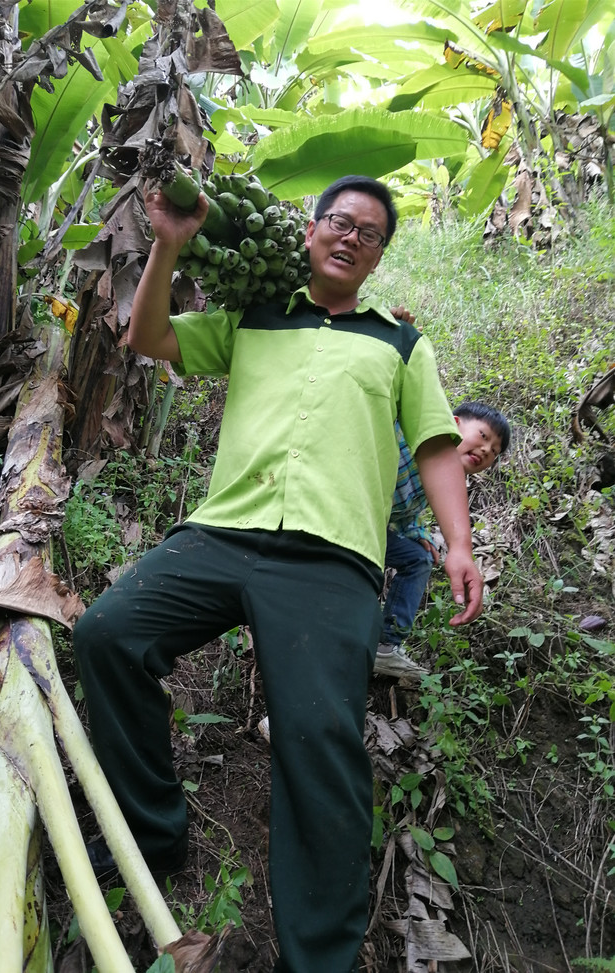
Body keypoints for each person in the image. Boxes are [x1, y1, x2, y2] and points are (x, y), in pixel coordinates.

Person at [72, 174, 484, 973]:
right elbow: (150, 339)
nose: (349, 236)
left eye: (368, 232)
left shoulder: (400, 342)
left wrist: (458, 543)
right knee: (107, 632)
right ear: (308, 230)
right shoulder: (252, 315)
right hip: (224, 532)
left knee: (320, 736)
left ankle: (318, 957)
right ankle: (154, 834)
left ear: (378, 256)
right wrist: (168, 243)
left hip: (332, 560)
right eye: (338, 221)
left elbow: (436, 444)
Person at [375, 401, 511, 679]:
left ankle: (386, 646)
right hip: (341, 518)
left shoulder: (445, 484)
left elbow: (404, 511)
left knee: (419, 558)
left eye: (494, 451)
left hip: (372, 529)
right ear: (454, 422)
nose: (486, 450)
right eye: (484, 436)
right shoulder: (411, 437)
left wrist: (417, 532)